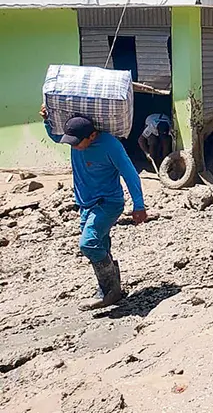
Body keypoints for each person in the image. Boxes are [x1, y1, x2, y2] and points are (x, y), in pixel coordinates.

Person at [41, 110, 147, 311]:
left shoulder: (110, 146)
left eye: (76, 142)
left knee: (88, 244)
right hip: (85, 205)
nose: (73, 146)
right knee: (102, 243)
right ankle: (111, 288)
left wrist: (138, 205)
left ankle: (110, 291)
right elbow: (55, 136)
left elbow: (130, 174)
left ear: (92, 135)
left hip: (108, 203)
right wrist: (47, 120)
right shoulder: (77, 140)